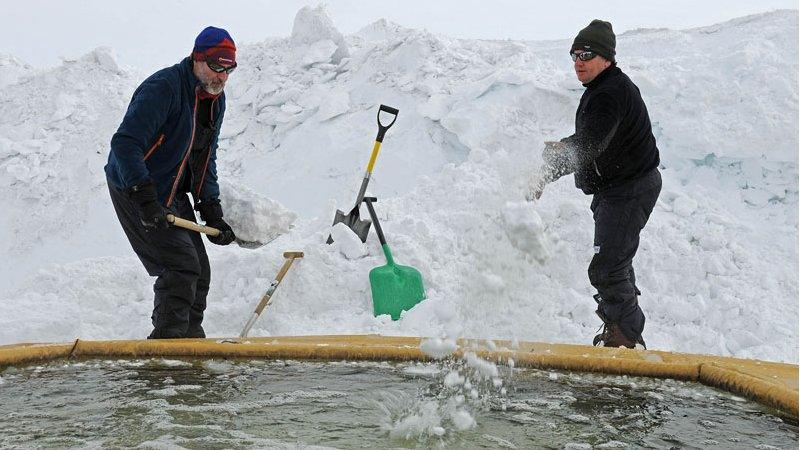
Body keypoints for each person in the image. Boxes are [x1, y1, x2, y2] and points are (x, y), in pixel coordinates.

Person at [528, 19, 661, 349]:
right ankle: (625, 332)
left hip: (628, 189)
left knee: (607, 267)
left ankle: (626, 337)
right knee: (615, 262)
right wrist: (561, 149)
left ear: (606, 57)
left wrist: (546, 171)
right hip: (618, 188)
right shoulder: (604, 89)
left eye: (586, 54)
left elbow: (588, 145)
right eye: (574, 55)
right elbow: (591, 141)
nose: (578, 62)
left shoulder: (610, 93)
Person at [105, 26, 238, 339]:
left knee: (200, 272)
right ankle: (167, 349)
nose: (221, 76)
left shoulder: (214, 101)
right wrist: (144, 197)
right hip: (135, 186)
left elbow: (205, 157)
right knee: (180, 266)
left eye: (228, 69)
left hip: (173, 189)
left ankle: (189, 344)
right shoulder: (164, 87)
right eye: (216, 66)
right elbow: (125, 144)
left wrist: (211, 209)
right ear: (197, 59)